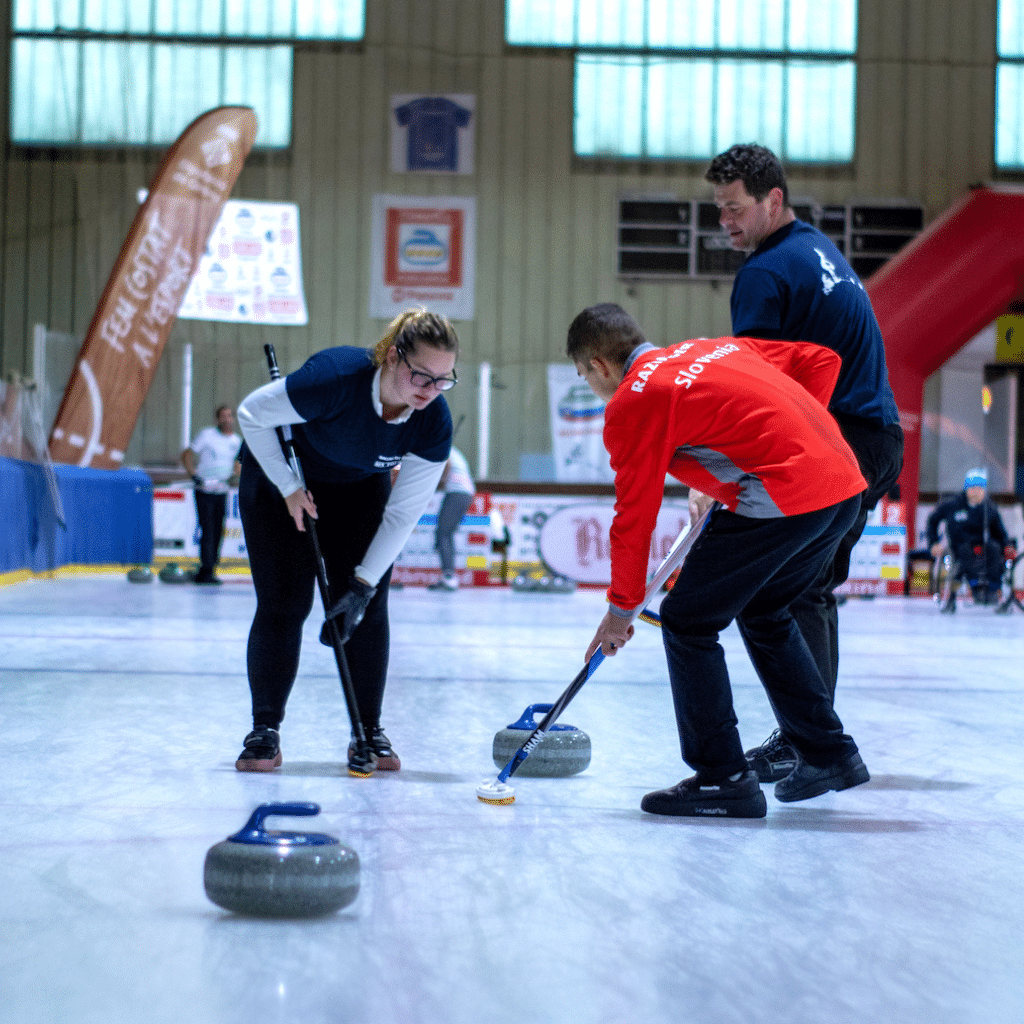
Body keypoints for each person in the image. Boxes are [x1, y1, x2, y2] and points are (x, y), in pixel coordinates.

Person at [569, 303, 869, 818]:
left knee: (686, 620)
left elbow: (634, 513)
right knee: (764, 610)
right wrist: (791, 440)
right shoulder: (713, 348)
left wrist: (622, 609)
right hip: (842, 486)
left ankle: (722, 778)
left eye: (585, 377)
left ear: (598, 365)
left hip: (785, 495)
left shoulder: (634, 399)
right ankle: (828, 753)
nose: (593, 388)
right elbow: (822, 360)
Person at [704, 143, 905, 783]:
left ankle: (810, 745)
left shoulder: (766, 273)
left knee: (788, 591)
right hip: (872, 438)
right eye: (719, 211)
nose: (726, 224)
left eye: (735, 209)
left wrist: (726, 470)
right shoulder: (816, 249)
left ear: (773, 200)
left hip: (841, 436)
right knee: (804, 588)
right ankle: (806, 738)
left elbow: (756, 389)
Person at [233, 309, 459, 774]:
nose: (430, 390)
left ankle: (368, 729)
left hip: (359, 487)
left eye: (442, 380)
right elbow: (252, 413)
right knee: (284, 604)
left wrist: (361, 585)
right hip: (283, 480)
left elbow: (402, 514)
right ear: (394, 358)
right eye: (421, 376)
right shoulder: (334, 377)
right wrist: (288, 487)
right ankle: (265, 731)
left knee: (368, 609)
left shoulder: (431, 421)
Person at [926, 467, 1014, 603]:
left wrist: (1007, 545)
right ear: (966, 489)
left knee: (995, 548)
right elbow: (933, 521)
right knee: (964, 550)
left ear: (984, 491)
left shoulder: (989, 508)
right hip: (959, 546)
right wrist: (933, 543)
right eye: (972, 488)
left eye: (980, 489)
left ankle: (993, 588)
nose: (976, 492)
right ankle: (975, 587)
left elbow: (1000, 532)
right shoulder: (952, 505)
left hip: (982, 545)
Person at [180, 405, 242, 585]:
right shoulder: (207, 435)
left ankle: (211, 567)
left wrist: (234, 476)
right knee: (207, 529)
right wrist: (193, 474)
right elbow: (187, 455)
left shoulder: (236, 441)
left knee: (217, 531)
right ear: (217, 419)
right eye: (223, 416)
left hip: (221, 492)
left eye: (229, 416)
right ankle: (206, 568)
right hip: (205, 491)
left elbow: (238, 465)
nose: (226, 419)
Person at [427, 446, 476, 591]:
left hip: (458, 492)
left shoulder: (442, 446)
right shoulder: (451, 449)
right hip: (462, 492)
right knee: (446, 533)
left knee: (443, 533)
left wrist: (438, 482)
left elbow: (446, 464)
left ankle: (449, 577)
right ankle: (449, 575)